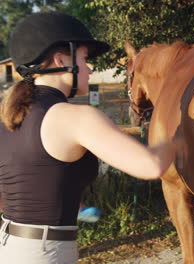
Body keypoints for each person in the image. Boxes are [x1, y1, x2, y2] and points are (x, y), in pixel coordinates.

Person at [0, 12, 179, 263]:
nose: (91, 68)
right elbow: (152, 165)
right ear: (60, 59)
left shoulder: (9, 116)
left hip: (10, 247)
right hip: (46, 252)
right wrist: (180, 132)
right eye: (84, 59)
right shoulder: (76, 117)